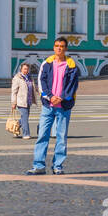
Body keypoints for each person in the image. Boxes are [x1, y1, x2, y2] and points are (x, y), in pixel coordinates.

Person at [27, 38, 79, 176]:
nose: (59, 48)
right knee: (42, 135)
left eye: (62, 46)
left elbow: (72, 86)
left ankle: (58, 166)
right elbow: (41, 81)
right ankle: (38, 165)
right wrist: (50, 96)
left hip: (64, 106)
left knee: (61, 137)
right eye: (57, 46)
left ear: (66, 48)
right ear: (54, 48)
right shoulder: (47, 63)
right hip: (48, 106)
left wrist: (61, 97)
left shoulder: (71, 65)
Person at [10, 62, 36, 139]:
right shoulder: (17, 78)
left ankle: (16, 127)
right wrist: (13, 102)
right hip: (21, 101)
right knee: (25, 118)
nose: (26, 70)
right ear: (21, 69)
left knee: (24, 118)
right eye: (24, 68)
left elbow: (32, 88)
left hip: (28, 101)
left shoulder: (30, 77)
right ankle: (26, 134)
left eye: (27, 69)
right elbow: (14, 91)